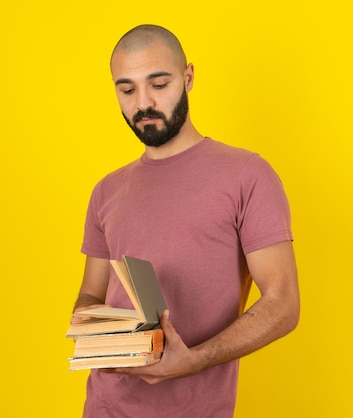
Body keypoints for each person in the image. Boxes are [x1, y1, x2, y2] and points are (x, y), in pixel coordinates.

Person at [71, 24, 300, 418]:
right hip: (104, 407)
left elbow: (283, 304)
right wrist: (105, 337)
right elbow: (90, 297)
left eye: (158, 84)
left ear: (188, 77)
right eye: (127, 90)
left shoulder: (247, 174)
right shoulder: (106, 191)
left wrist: (195, 359)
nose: (143, 103)